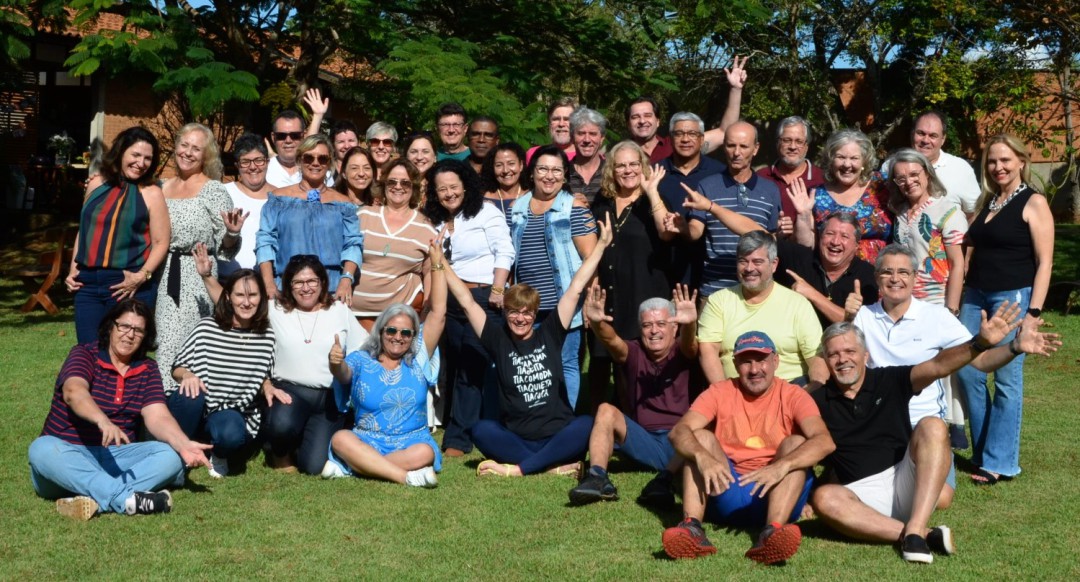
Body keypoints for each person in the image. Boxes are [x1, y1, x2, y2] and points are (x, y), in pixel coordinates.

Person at [810, 314, 1058, 563]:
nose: (843, 360)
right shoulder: (816, 400)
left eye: (850, 351)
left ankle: (916, 527)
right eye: (834, 354)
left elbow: (938, 365)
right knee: (824, 498)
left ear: (865, 356)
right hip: (859, 495)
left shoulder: (889, 379)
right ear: (826, 361)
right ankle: (922, 536)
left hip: (904, 481)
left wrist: (982, 344)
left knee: (933, 425)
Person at [440, 213, 613, 477]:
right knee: (481, 430)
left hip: (559, 434)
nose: (520, 318)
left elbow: (576, 287)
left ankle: (522, 469)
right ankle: (552, 466)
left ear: (534, 315)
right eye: (513, 312)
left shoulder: (550, 333)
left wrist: (600, 247)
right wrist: (439, 262)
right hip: (519, 439)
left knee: (586, 424)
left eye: (527, 313)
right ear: (505, 313)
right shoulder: (497, 340)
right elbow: (466, 300)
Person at [661, 331, 835, 564]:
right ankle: (692, 529)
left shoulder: (794, 395)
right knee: (699, 438)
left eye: (761, 360)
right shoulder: (720, 391)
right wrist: (702, 456)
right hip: (726, 487)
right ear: (735, 364)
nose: (754, 370)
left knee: (796, 443)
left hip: (776, 492)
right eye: (746, 361)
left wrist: (782, 466)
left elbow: (825, 441)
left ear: (775, 361)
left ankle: (771, 533)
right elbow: (679, 431)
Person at [28, 299, 212, 520]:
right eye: (123, 326)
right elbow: (73, 392)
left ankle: (96, 498)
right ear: (111, 327)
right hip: (67, 456)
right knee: (41, 449)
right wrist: (102, 421)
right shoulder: (84, 354)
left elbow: (157, 415)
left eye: (138, 330)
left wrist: (183, 444)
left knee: (169, 457)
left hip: (114, 459)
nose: (129, 334)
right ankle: (125, 499)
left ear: (145, 336)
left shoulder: (147, 368)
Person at [956, 134, 1055, 485]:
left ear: (1022, 162)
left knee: (1007, 380)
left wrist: (1033, 314)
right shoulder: (990, 201)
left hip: (1011, 298)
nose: (998, 167)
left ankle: (1000, 461)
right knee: (967, 370)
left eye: (1005, 160)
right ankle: (984, 452)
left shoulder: (1034, 202)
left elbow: (1044, 263)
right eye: (992, 161)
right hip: (976, 296)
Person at [848, 244, 971, 505]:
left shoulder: (936, 316)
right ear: (876, 278)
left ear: (915, 277)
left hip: (924, 425)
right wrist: (848, 319)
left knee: (942, 499)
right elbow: (841, 360)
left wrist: (1012, 347)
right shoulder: (863, 317)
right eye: (887, 272)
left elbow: (981, 359)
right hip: (878, 423)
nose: (895, 279)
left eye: (904, 272)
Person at [323, 241, 447, 487]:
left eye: (406, 333)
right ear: (380, 331)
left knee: (425, 452)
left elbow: (438, 312)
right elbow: (343, 374)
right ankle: (405, 477)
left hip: (411, 441)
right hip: (366, 439)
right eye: (391, 330)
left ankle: (353, 466)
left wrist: (437, 263)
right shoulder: (361, 359)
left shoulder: (419, 356)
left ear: (413, 337)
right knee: (340, 438)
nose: (398, 337)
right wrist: (335, 363)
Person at [569, 286, 698, 506]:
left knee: (702, 425)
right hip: (644, 441)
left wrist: (690, 325)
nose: (654, 331)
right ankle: (597, 477)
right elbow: (612, 341)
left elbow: (690, 345)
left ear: (674, 327)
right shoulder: (634, 351)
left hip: (681, 443)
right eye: (647, 325)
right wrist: (598, 323)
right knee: (605, 410)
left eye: (661, 324)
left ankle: (664, 480)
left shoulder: (682, 350)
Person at [422, 159, 514, 456]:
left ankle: (458, 439)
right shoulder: (433, 220)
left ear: (465, 185)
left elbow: (505, 249)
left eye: (453, 187)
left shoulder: (486, 211)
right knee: (456, 364)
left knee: (472, 366)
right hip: (446, 301)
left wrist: (498, 289)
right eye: (441, 189)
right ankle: (472, 425)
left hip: (483, 298)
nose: (448, 193)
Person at [251, 255, 369, 475]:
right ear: (288, 285)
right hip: (290, 391)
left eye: (312, 281)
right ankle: (279, 452)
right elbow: (242, 314)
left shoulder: (339, 310)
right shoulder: (274, 310)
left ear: (323, 282)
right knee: (281, 426)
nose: (306, 288)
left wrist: (345, 362)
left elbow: (363, 348)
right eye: (298, 282)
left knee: (313, 467)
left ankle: (302, 442)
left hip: (330, 396)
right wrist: (265, 382)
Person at [588, 141, 676, 413]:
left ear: (643, 167)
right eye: (620, 165)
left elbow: (667, 232)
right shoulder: (601, 203)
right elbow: (594, 250)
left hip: (643, 293)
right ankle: (595, 425)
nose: (627, 170)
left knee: (638, 364)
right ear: (611, 170)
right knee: (601, 364)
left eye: (633, 164)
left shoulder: (655, 199)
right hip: (610, 295)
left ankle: (640, 424)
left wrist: (652, 194)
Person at [510, 145, 598, 410]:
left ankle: (564, 422)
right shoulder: (517, 208)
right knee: (531, 365)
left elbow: (592, 259)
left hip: (565, 303)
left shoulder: (575, 208)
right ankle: (537, 418)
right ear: (532, 172)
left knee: (567, 363)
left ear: (564, 175)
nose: (549, 176)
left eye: (556, 170)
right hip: (527, 306)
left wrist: (590, 302)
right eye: (543, 169)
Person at [156, 123, 242, 394]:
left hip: (195, 275)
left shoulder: (213, 190)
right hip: (158, 272)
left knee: (181, 344)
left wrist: (231, 233)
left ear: (206, 156)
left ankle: (180, 404)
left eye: (197, 149)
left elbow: (225, 247)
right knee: (160, 341)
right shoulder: (160, 186)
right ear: (176, 145)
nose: (188, 153)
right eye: (184, 145)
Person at [168, 267, 275, 479]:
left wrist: (267, 385)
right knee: (192, 394)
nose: (246, 302)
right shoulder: (207, 327)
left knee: (231, 433)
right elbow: (177, 368)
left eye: (253, 295)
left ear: (261, 297)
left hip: (227, 413)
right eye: (239, 295)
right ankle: (176, 454)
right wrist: (187, 376)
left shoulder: (266, 337)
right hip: (193, 405)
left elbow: (263, 373)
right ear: (228, 296)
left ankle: (218, 452)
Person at [65, 127, 169, 343]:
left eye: (148, 158)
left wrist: (142, 276)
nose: (141, 163)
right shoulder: (95, 183)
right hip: (88, 285)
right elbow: (85, 230)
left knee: (123, 355)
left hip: (126, 285)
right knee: (88, 353)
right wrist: (73, 270)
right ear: (121, 152)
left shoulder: (152, 193)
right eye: (136, 155)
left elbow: (161, 242)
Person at [696, 231, 828, 386]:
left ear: (774, 264)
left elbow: (816, 357)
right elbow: (708, 350)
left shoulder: (797, 304)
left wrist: (810, 393)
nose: (749, 268)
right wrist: (724, 397)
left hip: (790, 389)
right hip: (736, 390)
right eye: (743, 261)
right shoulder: (718, 301)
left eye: (757, 262)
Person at [255, 133, 362, 302]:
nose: (315, 163)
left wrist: (346, 280)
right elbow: (265, 242)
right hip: (287, 290)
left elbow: (353, 244)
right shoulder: (278, 200)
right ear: (299, 160)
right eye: (309, 158)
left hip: (331, 290)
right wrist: (268, 284)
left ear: (330, 163)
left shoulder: (344, 204)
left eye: (322, 159)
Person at [678, 121, 781, 296]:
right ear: (724, 147)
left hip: (756, 292)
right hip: (715, 289)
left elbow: (771, 239)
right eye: (731, 145)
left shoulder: (770, 189)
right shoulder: (707, 186)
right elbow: (695, 231)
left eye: (743, 146)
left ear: (755, 149)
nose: (736, 152)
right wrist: (683, 228)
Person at [352, 159, 436, 328]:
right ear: (383, 184)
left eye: (405, 182)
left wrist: (426, 310)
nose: (398, 187)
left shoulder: (426, 227)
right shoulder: (363, 215)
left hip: (397, 321)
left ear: (414, 187)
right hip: (352, 314)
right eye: (392, 181)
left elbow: (430, 272)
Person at [626, 56, 747, 163]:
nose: (642, 121)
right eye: (635, 117)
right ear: (628, 123)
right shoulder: (621, 153)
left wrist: (736, 89)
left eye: (647, 115)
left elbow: (724, 132)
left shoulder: (679, 143)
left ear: (658, 121)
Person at [656, 112, 727, 289]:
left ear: (702, 139)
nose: (685, 139)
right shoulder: (655, 173)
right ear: (670, 139)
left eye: (692, 134)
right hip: (663, 272)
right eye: (679, 134)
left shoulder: (720, 173)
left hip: (710, 272)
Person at [774, 211, 879, 328]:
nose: (835, 242)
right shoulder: (798, 257)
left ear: (856, 246)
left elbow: (860, 326)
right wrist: (774, 234)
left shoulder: (868, 274)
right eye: (830, 233)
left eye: (844, 236)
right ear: (820, 237)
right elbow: (758, 238)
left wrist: (811, 294)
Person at [809, 129, 893, 264]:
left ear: (864, 162)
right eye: (841, 157)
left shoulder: (882, 185)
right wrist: (802, 214)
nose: (847, 165)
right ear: (831, 160)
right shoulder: (816, 195)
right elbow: (808, 243)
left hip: (880, 275)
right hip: (832, 274)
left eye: (854, 158)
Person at [907, 111, 981, 218]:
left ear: (943, 139)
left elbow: (975, 213)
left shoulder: (960, 169)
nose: (925, 140)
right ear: (912, 133)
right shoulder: (892, 165)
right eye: (921, 133)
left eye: (933, 136)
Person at [218, 133, 272, 277]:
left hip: (269, 284)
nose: (253, 167)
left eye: (258, 160)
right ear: (237, 166)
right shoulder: (223, 192)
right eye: (245, 162)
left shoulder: (281, 197)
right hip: (228, 282)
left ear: (267, 162)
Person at [755, 116, 826, 220]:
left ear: (807, 146)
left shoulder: (822, 179)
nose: (792, 147)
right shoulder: (760, 177)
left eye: (799, 141)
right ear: (777, 143)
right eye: (787, 140)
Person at [566, 107, 607, 203]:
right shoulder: (562, 173)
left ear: (602, 139)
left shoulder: (612, 172)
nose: (587, 140)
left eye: (593, 134)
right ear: (572, 138)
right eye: (581, 133)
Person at [481, 142, 527, 224]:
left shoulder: (532, 197)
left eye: (511, 164)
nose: (505, 170)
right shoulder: (481, 198)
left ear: (521, 165)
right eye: (499, 165)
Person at [526, 96, 577, 164]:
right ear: (549, 123)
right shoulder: (534, 154)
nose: (561, 124)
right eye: (556, 119)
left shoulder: (586, 157)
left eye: (567, 119)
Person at [265, 110, 306, 188]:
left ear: (303, 136)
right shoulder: (263, 171)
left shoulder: (317, 169)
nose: (288, 141)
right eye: (281, 136)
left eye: (295, 135)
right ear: (273, 138)